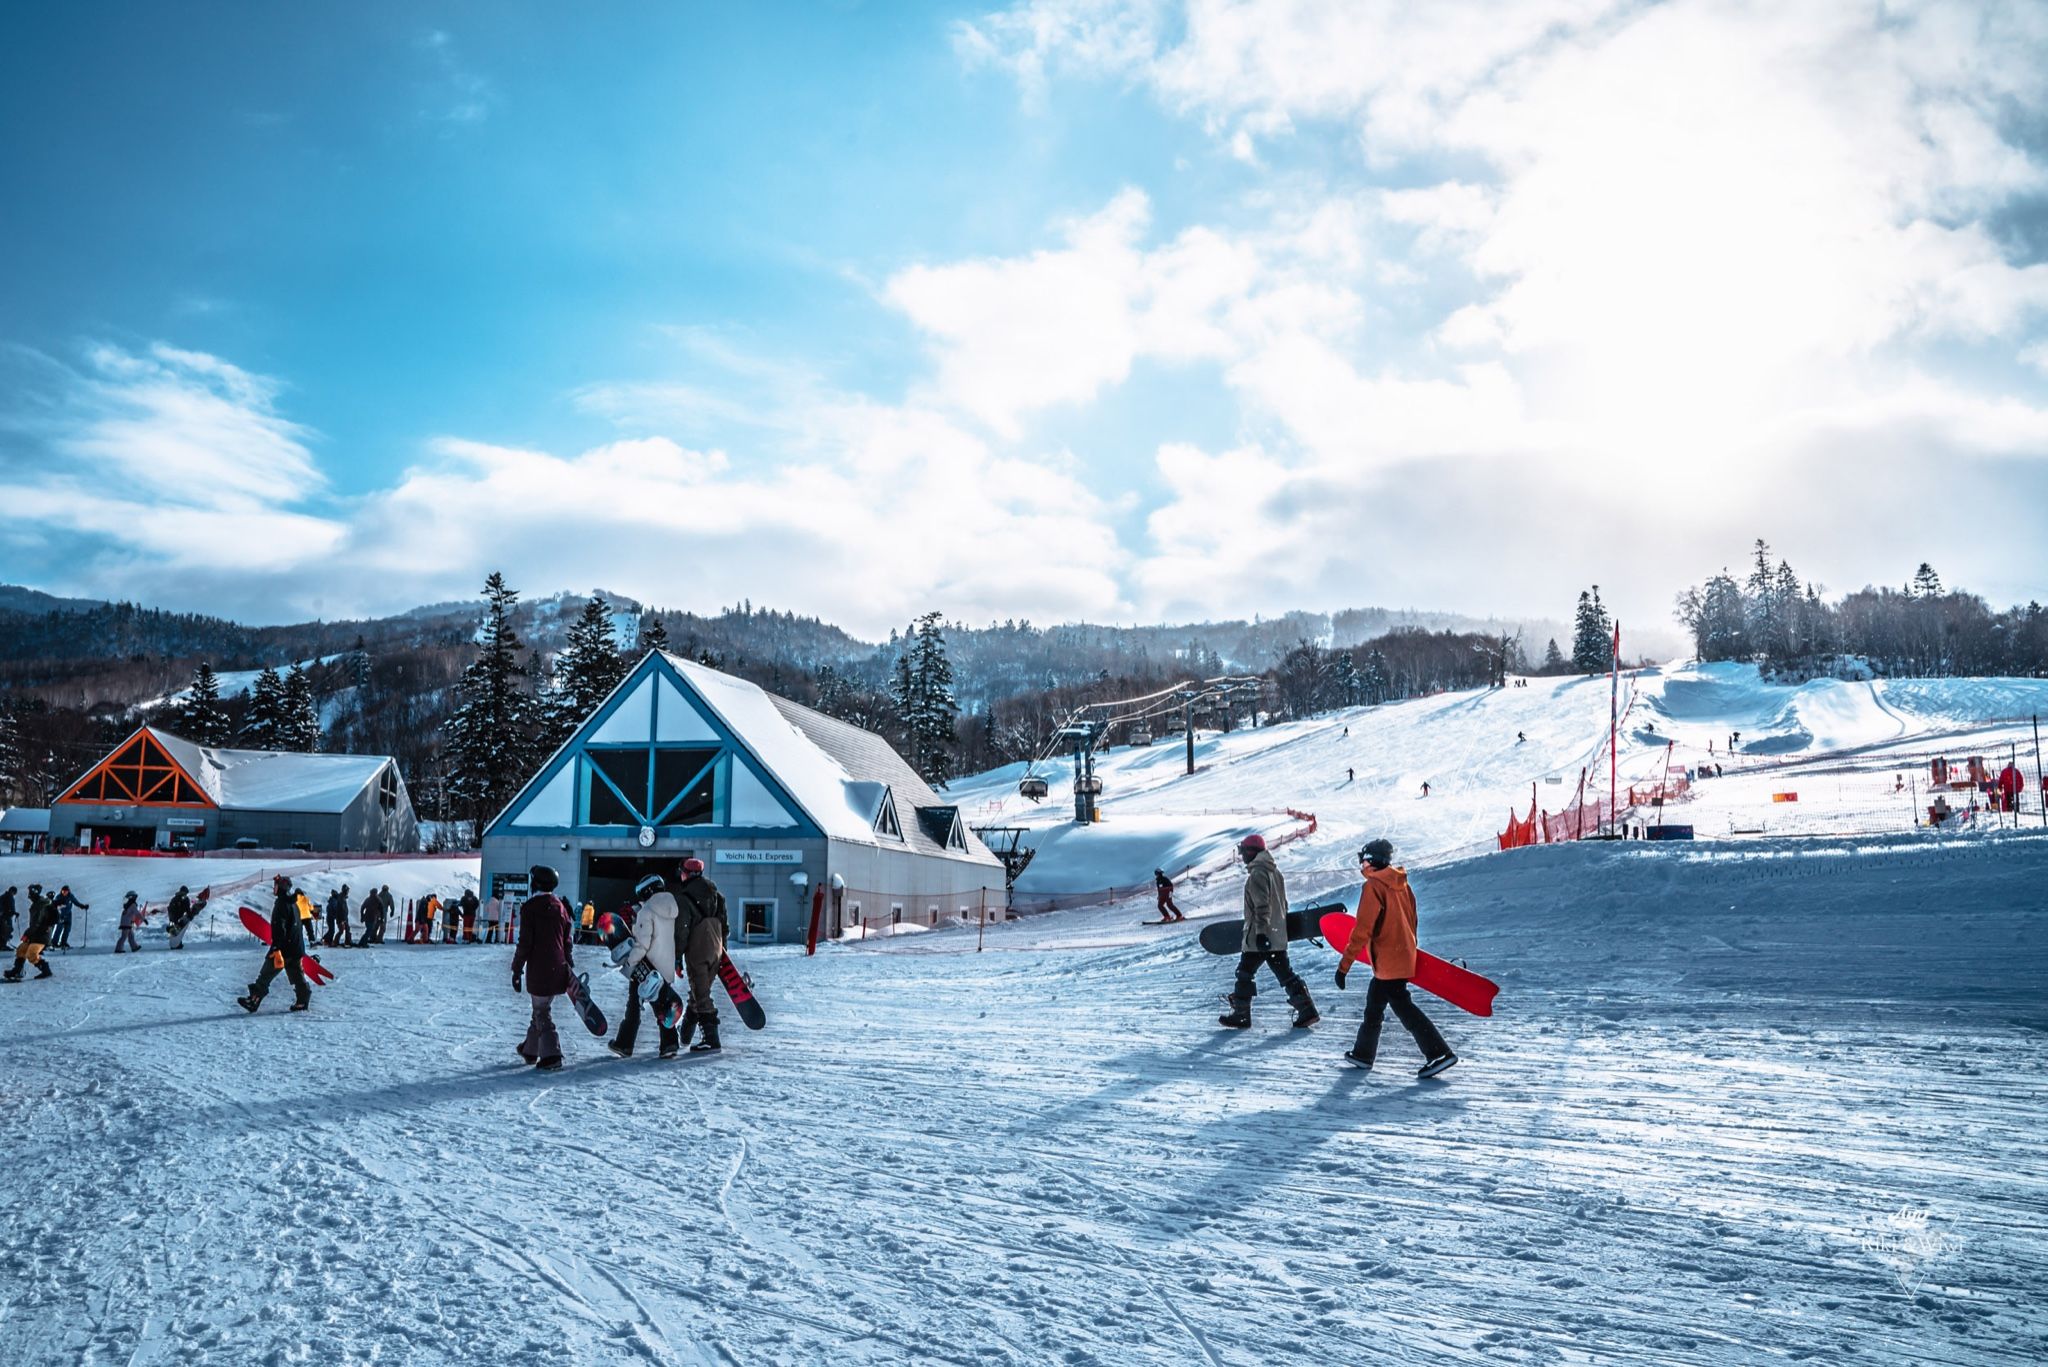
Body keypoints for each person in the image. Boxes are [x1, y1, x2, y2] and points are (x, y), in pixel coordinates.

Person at [1335, 839, 1455, 1077]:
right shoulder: (1402, 884)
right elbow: (1413, 919)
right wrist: (1408, 948)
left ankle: (1439, 1053)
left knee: (1403, 1006)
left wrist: (1344, 966)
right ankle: (1363, 1054)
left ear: (1373, 861)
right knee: (1375, 1004)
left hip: (1389, 961)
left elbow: (1362, 930)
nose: (1362, 864)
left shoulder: (1373, 887)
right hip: (1400, 955)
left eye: (1364, 859)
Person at [1218, 835, 1318, 1030]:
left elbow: (1262, 907)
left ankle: (1241, 1015)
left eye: (1243, 851)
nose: (1242, 856)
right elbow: (1283, 904)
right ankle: (1307, 1010)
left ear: (1251, 852)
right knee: (1285, 973)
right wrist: (1277, 931)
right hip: (1275, 934)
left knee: (1245, 973)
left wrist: (1262, 933)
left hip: (1260, 936)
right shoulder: (1274, 872)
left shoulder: (1258, 874)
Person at [610, 876, 681, 1059]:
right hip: (666, 965)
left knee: (634, 1005)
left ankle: (624, 1044)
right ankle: (670, 1044)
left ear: (647, 892)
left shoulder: (646, 912)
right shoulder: (674, 909)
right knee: (662, 1004)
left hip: (646, 966)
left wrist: (630, 963)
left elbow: (642, 944)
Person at [511, 865, 574, 1070]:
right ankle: (530, 1050)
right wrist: (569, 964)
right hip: (558, 966)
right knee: (541, 1008)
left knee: (541, 1010)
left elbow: (525, 943)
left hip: (539, 968)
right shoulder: (561, 907)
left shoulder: (530, 908)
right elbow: (567, 940)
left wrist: (517, 968)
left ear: (535, 883)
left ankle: (552, 1056)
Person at [675, 858, 729, 1053]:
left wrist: (677, 957)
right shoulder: (717, 896)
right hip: (716, 947)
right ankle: (686, 1033)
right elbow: (724, 926)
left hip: (697, 950)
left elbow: (682, 931)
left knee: (701, 994)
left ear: (686, 873)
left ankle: (711, 1039)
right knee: (697, 992)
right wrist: (724, 950)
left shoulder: (684, 898)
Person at [237, 874, 312, 1014]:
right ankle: (302, 1001)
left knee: (266, 973)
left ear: (282, 888)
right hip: (295, 947)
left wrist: (276, 947)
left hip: (284, 947)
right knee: (296, 974)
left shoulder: (282, 903)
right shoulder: (293, 903)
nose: (274, 888)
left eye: (276, 886)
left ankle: (254, 1000)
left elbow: (279, 927)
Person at [4, 885, 58, 981]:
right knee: (21, 949)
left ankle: (46, 970)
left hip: (42, 936)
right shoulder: (36, 905)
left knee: (32, 953)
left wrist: (28, 934)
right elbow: (34, 924)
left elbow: (40, 922)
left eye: (30, 894)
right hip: (34, 935)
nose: (29, 896)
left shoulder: (43, 905)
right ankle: (18, 970)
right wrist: (28, 934)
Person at [51, 885, 86, 950]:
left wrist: (82, 906)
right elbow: (54, 905)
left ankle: (63, 942)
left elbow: (76, 902)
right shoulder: (58, 897)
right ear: (61, 891)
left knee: (67, 929)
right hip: (60, 915)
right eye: (63, 891)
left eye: (66, 891)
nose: (64, 892)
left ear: (68, 891)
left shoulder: (70, 896)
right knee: (59, 928)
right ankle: (54, 942)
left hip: (68, 915)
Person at [0, 886, 16, 952]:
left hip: (5, 916)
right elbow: (10, 907)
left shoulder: (4, 896)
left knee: (4, 930)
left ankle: (2, 945)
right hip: (6, 917)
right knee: (6, 930)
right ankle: (3, 945)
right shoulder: (8, 897)